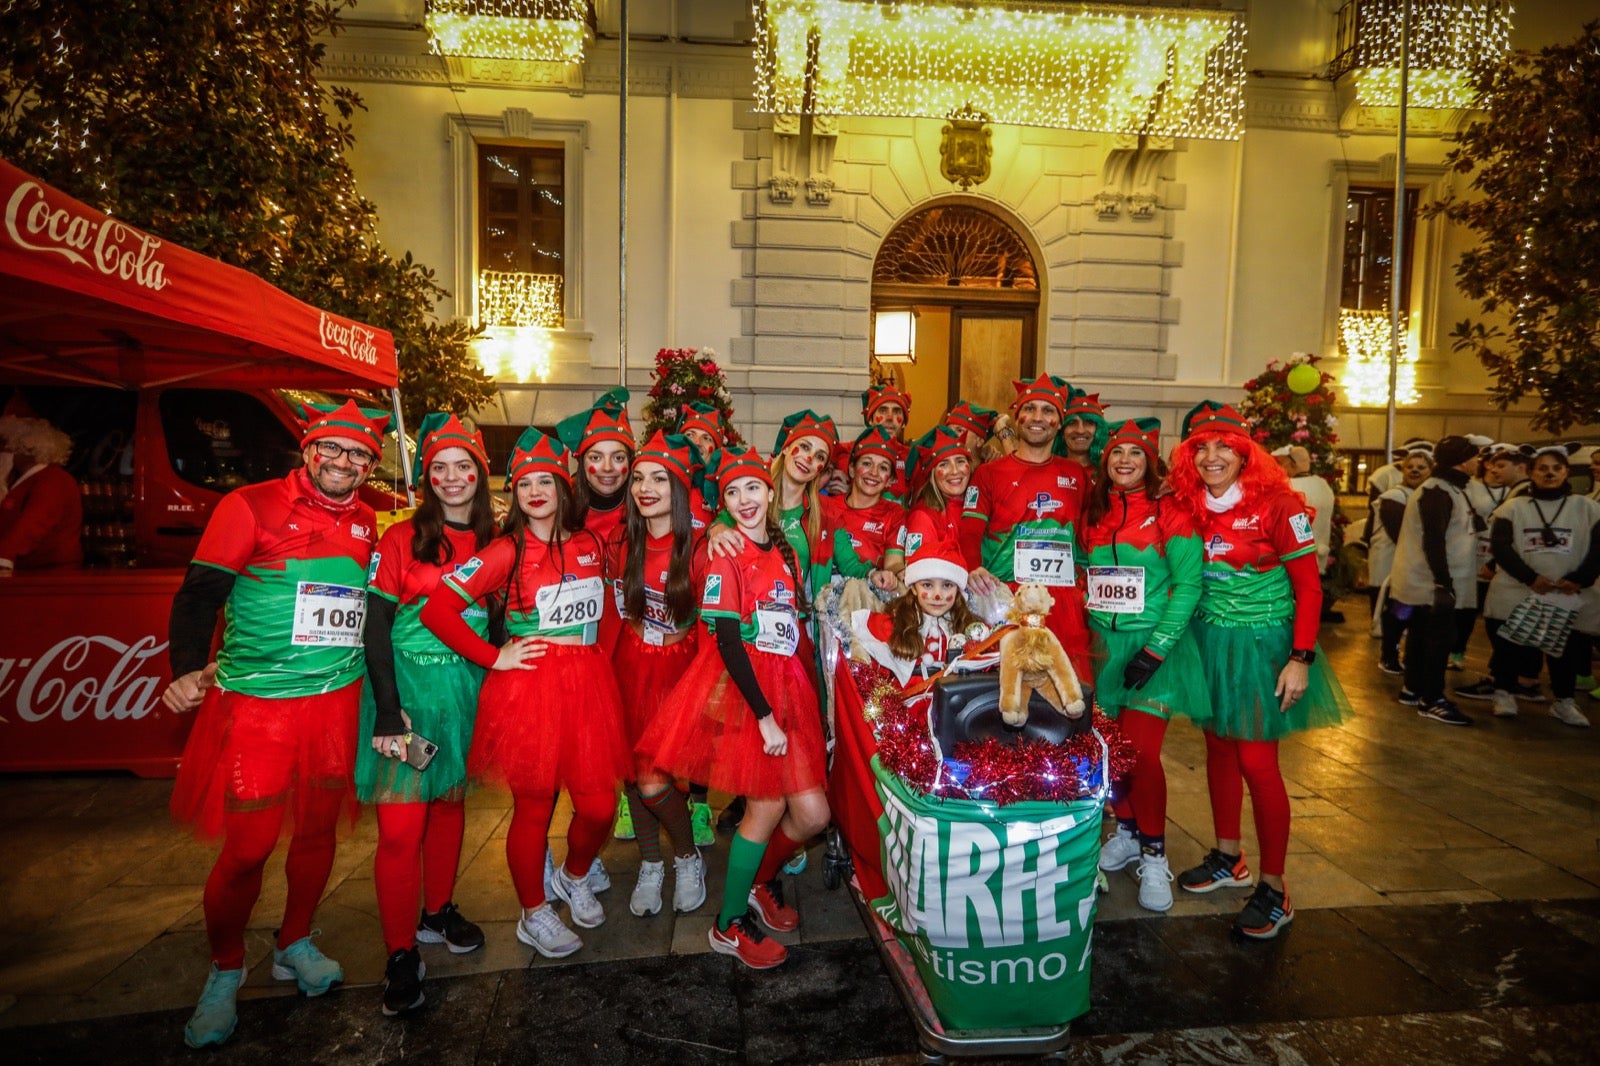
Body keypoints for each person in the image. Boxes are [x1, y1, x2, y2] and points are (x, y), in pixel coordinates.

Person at [162, 400, 389, 1048]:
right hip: (258, 708)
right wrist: (184, 669)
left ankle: (293, 940)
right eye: (335, 450)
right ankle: (225, 968)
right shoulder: (248, 505)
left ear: (370, 464)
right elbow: (199, 594)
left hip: (335, 703)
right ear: (310, 450)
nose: (346, 462)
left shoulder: (368, 520)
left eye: (360, 455)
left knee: (318, 834)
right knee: (248, 849)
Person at [419, 427, 631, 958]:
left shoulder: (592, 543)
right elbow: (437, 609)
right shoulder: (505, 550)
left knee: (600, 806)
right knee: (534, 809)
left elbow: (608, 608)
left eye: (546, 481)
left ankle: (574, 873)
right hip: (530, 688)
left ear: (565, 488)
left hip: (586, 687)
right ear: (513, 493)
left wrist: (598, 660)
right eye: (524, 484)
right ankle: (533, 911)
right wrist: (495, 656)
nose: (536, 491)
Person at [638, 446, 830, 969]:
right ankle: (727, 925)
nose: (744, 500)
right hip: (751, 694)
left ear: (771, 493)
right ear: (722, 503)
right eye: (731, 492)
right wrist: (764, 715)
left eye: (752, 488)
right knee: (766, 806)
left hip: (789, 685)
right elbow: (725, 641)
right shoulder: (723, 554)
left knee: (813, 815)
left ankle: (757, 881)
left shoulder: (788, 546)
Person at [1164, 401, 1348, 939]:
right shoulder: (1188, 502)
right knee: (1218, 744)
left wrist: (1301, 657)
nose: (1213, 456)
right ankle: (1229, 857)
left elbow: (1310, 587)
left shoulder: (1279, 504)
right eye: (1201, 447)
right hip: (1209, 639)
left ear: (1246, 452)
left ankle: (1274, 886)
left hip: (1263, 646)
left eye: (1225, 445)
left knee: (1257, 761)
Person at [356, 413, 501, 1016]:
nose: (451, 477)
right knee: (400, 828)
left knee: (449, 806)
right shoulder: (399, 538)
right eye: (438, 468)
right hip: (408, 701)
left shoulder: (499, 540)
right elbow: (376, 624)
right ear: (425, 479)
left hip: (465, 697)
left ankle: (437, 910)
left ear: (480, 474)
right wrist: (388, 712)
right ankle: (398, 952)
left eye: (462, 465)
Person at [1083, 419, 1210, 914]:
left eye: (1136, 454)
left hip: (1155, 647)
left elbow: (1189, 585)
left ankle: (1156, 855)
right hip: (1100, 648)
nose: (1125, 461)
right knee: (1110, 751)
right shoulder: (1094, 512)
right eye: (1117, 453)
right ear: (1105, 461)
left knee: (1140, 752)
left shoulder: (1172, 512)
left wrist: (1157, 647)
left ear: (1150, 461)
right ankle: (1130, 831)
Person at [609, 431, 711, 916]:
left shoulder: (703, 544)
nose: (645, 488)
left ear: (679, 486)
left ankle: (687, 856)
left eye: (659, 478)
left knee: (655, 781)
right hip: (629, 663)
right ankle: (652, 864)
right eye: (638, 478)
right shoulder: (623, 537)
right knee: (634, 775)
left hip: (680, 669)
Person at [962, 374, 1092, 678]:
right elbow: (969, 530)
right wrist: (971, 566)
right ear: (1017, 417)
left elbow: (1087, 537)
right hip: (1005, 600)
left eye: (1048, 411)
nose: (1038, 417)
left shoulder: (1076, 474)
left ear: (1059, 422)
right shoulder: (988, 473)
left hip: (1061, 604)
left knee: (1067, 697)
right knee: (1006, 698)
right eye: (1029, 408)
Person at [1480, 443, 1600, 726]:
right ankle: (1504, 693)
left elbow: (1598, 547)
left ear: (1566, 471)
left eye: (1556, 468)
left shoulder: (1588, 509)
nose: (1550, 474)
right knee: (1509, 645)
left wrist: (1579, 579)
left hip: (1567, 592)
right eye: (1543, 468)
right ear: (1531, 472)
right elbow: (1501, 546)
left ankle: (1563, 701)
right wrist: (1530, 578)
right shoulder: (1512, 508)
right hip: (1518, 589)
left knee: (1566, 649)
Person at [1388, 435, 1484, 726]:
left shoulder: (1448, 488)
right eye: (1474, 457)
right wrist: (1444, 582)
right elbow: (1434, 540)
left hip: (1429, 583)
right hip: (1431, 585)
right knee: (1436, 641)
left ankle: (1413, 688)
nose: (1478, 462)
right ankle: (1432, 698)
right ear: (1463, 461)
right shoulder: (1438, 491)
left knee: (1421, 636)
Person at [851, 542, 988, 687]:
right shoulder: (895, 625)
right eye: (927, 585)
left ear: (957, 590)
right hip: (907, 705)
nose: (937, 595)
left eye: (947, 585)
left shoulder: (971, 629)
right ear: (914, 589)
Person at [1370, 449, 1432, 677]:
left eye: (1421, 467)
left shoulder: (1428, 495)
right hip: (1397, 565)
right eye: (1410, 466)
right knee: (1397, 614)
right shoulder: (1394, 497)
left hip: (1417, 568)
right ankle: (1389, 656)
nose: (1415, 470)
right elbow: (1400, 533)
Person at [822, 425, 907, 590]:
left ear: (889, 480)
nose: (874, 473)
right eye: (867, 464)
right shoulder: (827, 506)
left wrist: (901, 574)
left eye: (883, 468)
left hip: (870, 596)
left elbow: (894, 563)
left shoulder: (895, 514)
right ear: (852, 470)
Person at [0, 415, 83, 572]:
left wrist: (4, 555)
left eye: (7, 445)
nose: (3, 451)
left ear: (27, 448)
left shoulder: (52, 480)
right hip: (31, 573)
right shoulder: (26, 480)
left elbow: (33, 524)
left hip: (48, 577)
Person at [899, 424, 980, 567]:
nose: (955, 471)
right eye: (944, 464)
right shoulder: (922, 516)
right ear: (932, 474)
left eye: (960, 461)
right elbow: (920, 574)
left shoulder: (981, 505)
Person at [1059, 387, 1107, 468]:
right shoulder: (1049, 472)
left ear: (1099, 430)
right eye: (1072, 423)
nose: (1080, 430)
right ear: (1061, 431)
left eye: (1088, 423)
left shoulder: (1109, 473)